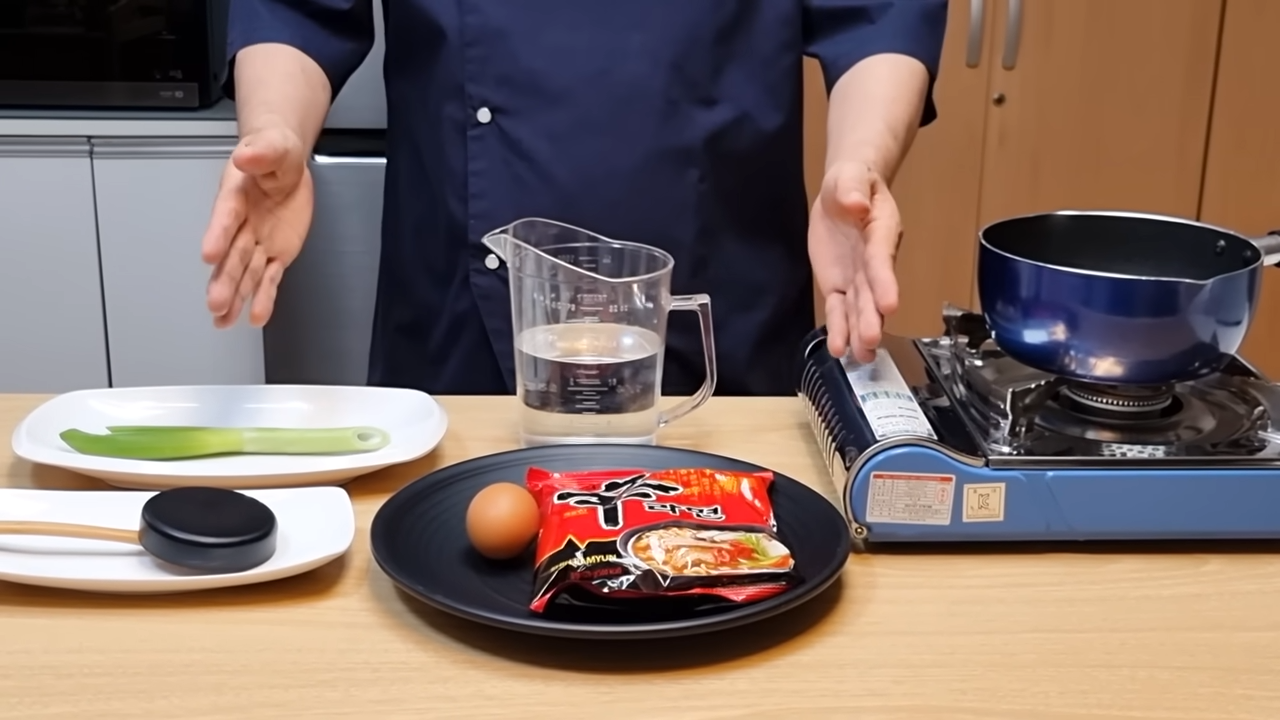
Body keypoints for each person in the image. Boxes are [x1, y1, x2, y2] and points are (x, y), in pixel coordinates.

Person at [200, 1, 947, 397]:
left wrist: (860, 162)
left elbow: (880, 14)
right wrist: (276, 126)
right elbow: (293, 9)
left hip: (722, 313)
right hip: (463, 333)